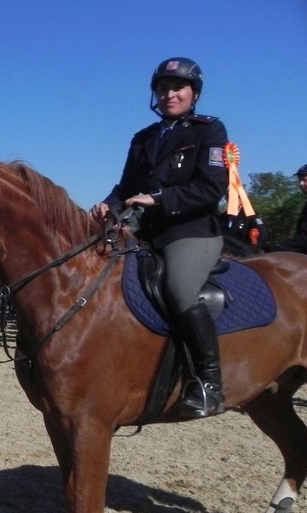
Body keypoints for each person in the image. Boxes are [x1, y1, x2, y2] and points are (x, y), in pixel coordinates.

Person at [91, 57, 229, 418]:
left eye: (178, 88)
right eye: (163, 88)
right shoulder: (144, 138)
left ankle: (209, 381)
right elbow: (125, 188)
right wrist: (108, 205)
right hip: (146, 234)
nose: (169, 94)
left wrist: (158, 199)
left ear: (193, 94)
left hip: (191, 232)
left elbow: (211, 188)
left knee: (179, 288)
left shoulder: (209, 131)